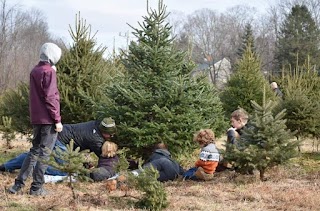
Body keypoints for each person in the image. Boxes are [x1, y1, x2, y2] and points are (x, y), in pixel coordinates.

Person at [8, 43, 63, 196]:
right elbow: (50, 97)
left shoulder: (35, 70)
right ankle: (36, 188)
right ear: (53, 55)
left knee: (34, 151)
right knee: (45, 153)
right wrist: (57, 120)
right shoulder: (49, 72)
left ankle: (17, 186)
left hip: (37, 118)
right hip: (48, 120)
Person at [0, 140, 67, 176]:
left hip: (51, 134)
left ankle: (6, 166)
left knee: (33, 154)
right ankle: (34, 168)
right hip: (57, 138)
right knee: (67, 171)